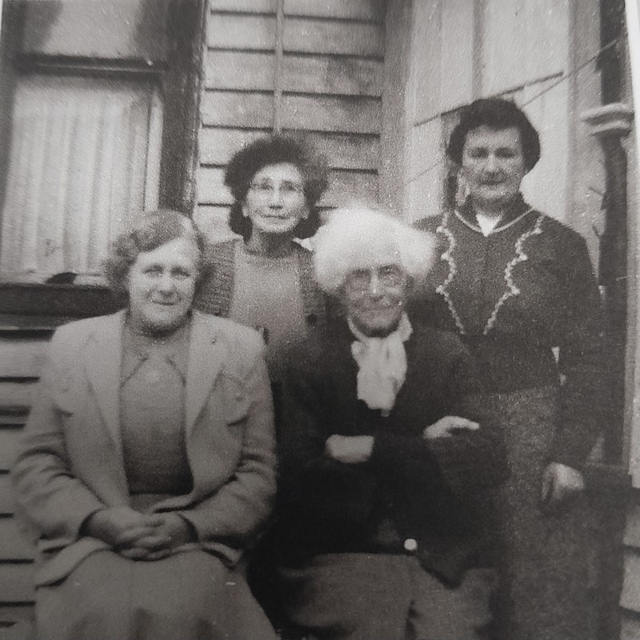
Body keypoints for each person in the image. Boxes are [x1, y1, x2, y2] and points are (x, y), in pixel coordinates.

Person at [12, 210, 277, 640]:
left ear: (198, 281)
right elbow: (37, 465)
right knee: (99, 607)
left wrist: (187, 526)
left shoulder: (240, 348)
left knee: (184, 608)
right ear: (126, 275)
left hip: (199, 541)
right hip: (93, 540)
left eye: (181, 273)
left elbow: (257, 473)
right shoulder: (74, 344)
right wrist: (99, 520)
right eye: (152, 270)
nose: (167, 286)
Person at [414, 97, 605, 640]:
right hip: (441, 422)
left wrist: (569, 454)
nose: (492, 167)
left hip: (530, 429)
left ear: (526, 162)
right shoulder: (420, 238)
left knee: (530, 581)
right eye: (478, 153)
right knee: (444, 572)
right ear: (458, 162)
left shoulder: (561, 245)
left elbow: (590, 357)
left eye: (506, 153)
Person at [274, 207, 509, 640]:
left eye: (389, 274)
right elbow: (300, 473)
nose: (376, 291)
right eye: (359, 277)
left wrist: (370, 448)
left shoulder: (447, 354)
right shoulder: (308, 359)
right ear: (338, 287)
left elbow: (489, 456)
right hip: (341, 551)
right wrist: (426, 451)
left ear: (410, 282)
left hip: (440, 553)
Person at [195, 134, 330, 384]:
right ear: (244, 204)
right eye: (264, 187)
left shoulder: (322, 273)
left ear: (306, 208)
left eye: (289, 189)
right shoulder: (207, 264)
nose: (275, 202)